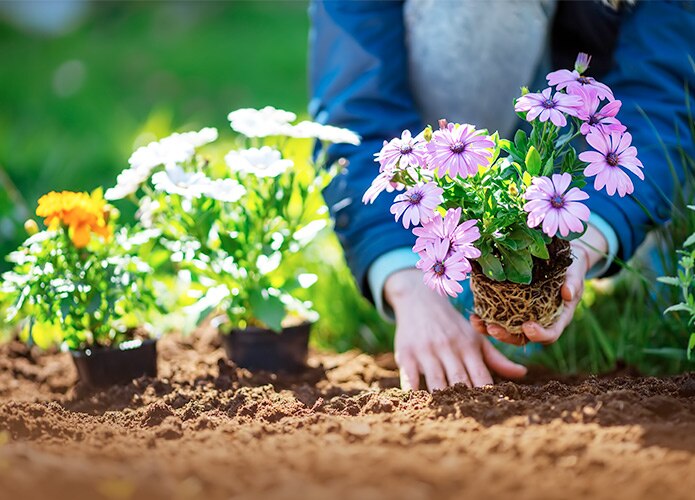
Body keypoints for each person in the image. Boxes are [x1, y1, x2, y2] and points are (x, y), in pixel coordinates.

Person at [308, 0, 695, 391]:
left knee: (660, 240)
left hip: (607, 144)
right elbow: (354, 109)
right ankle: (465, 279)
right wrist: (407, 280)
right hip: (495, 118)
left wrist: (587, 239)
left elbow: (666, 91)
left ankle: (659, 253)